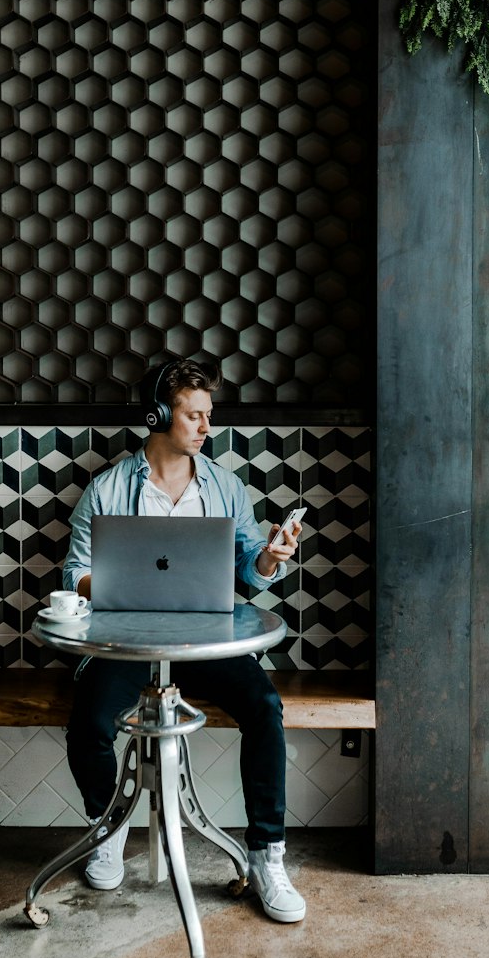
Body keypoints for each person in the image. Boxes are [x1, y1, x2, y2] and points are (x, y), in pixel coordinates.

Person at [60, 357, 307, 923]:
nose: (204, 427)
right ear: (158, 415)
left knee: (266, 709)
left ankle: (267, 855)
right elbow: (74, 575)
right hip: (126, 643)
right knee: (90, 724)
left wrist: (268, 558)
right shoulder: (105, 489)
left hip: (206, 642)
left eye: (208, 416)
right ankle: (108, 828)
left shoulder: (226, 488)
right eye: (192, 415)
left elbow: (249, 567)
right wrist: (122, 579)